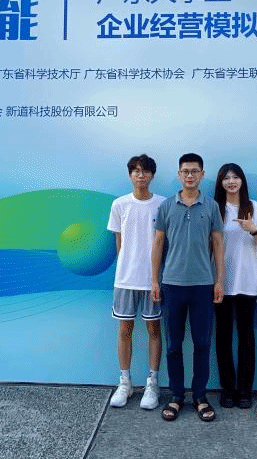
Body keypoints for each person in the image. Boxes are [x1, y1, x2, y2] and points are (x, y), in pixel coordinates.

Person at [151, 153, 224, 422]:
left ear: (202, 174)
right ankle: (176, 395)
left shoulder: (211, 206)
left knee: (202, 343)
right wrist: (154, 280)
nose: (190, 175)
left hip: (203, 285)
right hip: (172, 284)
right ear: (179, 174)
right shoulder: (167, 206)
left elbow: (218, 244)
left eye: (195, 171)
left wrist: (219, 281)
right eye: (185, 171)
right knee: (173, 345)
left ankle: (200, 397)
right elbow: (158, 244)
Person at [107, 154, 166, 410]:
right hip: (125, 279)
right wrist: (126, 268)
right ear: (130, 174)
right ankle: (125, 382)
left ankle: (152, 383)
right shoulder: (119, 204)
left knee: (154, 330)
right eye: (136, 171)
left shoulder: (162, 204)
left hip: (153, 279)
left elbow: (163, 242)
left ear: (152, 175)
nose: (140, 175)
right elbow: (119, 242)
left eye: (145, 171)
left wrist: (156, 277)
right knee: (125, 329)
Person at [212, 163, 257, 409]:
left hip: (248, 280)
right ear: (220, 182)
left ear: (242, 180)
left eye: (235, 177)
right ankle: (227, 389)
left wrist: (253, 230)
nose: (231, 181)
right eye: (226, 178)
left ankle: (245, 390)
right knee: (223, 336)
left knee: (246, 336)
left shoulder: (254, 207)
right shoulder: (214, 208)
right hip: (221, 282)